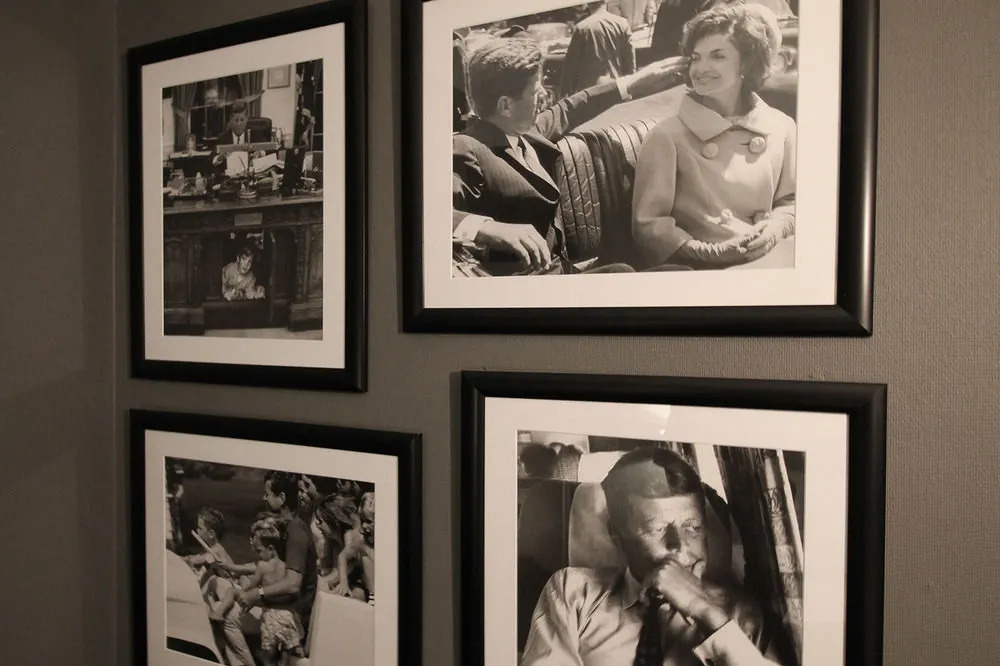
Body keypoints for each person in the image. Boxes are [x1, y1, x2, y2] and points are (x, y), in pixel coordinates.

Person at [520, 447, 781, 665]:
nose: (679, 546)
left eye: (693, 527)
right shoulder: (574, 593)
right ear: (616, 534)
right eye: (657, 529)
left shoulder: (740, 616)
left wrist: (705, 611)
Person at [452, 38, 686, 276]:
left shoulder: (526, 130)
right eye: (535, 91)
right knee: (626, 272)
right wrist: (487, 228)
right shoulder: (467, 148)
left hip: (565, 272)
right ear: (505, 106)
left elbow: (571, 108)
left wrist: (634, 82)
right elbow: (432, 212)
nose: (545, 94)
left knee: (677, 271)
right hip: (529, 286)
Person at [631, 4, 796, 269]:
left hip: (773, 261)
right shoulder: (666, 137)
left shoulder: (781, 127)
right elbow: (649, 227)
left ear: (746, 63)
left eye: (717, 56)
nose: (701, 68)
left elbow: (791, 202)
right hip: (706, 271)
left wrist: (776, 230)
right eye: (696, 58)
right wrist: (711, 252)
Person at [242, 518, 306, 665]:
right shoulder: (286, 566)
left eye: (259, 551)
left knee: (268, 656)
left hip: (271, 616)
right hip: (287, 615)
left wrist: (244, 586)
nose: (258, 555)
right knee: (287, 653)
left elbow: (251, 588)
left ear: (270, 548)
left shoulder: (262, 566)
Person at [557, 2, 636, 99]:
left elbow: (570, 66)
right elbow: (630, 60)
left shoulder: (582, 28)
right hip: (615, 88)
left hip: (589, 93)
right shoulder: (622, 24)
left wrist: (563, 94)